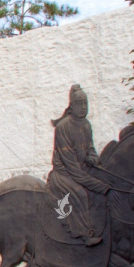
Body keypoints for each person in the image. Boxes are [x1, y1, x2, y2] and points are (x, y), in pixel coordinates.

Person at [46, 84, 110, 246]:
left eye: (85, 103)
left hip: (83, 171)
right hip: (64, 175)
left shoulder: (86, 125)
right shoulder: (63, 127)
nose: (83, 108)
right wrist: (96, 184)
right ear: (71, 105)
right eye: (79, 103)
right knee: (81, 193)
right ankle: (84, 234)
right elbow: (71, 165)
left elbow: (90, 149)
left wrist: (93, 158)